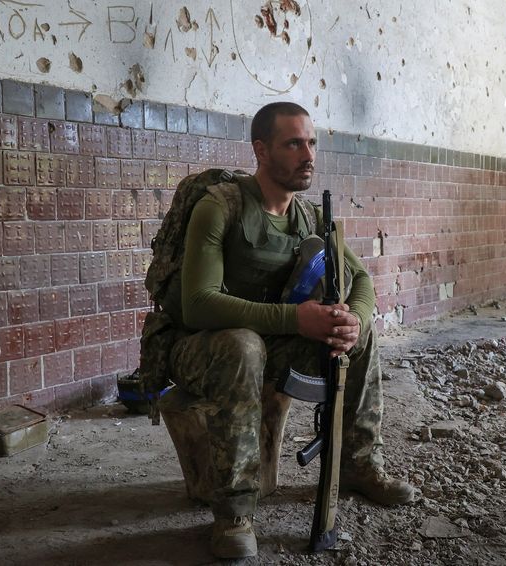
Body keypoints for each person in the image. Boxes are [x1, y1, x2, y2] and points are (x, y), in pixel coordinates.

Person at [170, 102, 414, 559]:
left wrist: (352, 319)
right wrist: (295, 320)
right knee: (242, 346)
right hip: (198, 346)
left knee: (357, 335)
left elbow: (360, 280)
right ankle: (235, 511)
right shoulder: (220, 207)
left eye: (312, 142)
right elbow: (197, 304)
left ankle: (359, 464)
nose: (309, 155)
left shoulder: (310, 218)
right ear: (261, 150)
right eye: (294, 143)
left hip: (270, 346)